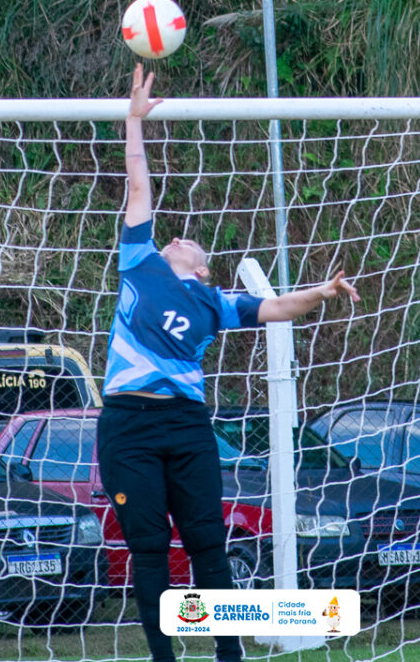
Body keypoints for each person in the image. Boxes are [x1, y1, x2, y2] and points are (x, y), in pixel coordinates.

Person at [98, 65, 359, 662]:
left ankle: (228, 654)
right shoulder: (139, 262)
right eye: (171, 238)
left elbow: (276, 305)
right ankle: (163, 657)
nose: (175, 239)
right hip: (129, 427)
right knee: (147, 546)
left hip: (187, 429)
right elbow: (139, 187)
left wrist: (320, 292)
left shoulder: (215, 304)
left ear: (202, 266)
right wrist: (133, 122)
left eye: (185, 243)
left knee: (208, 545)